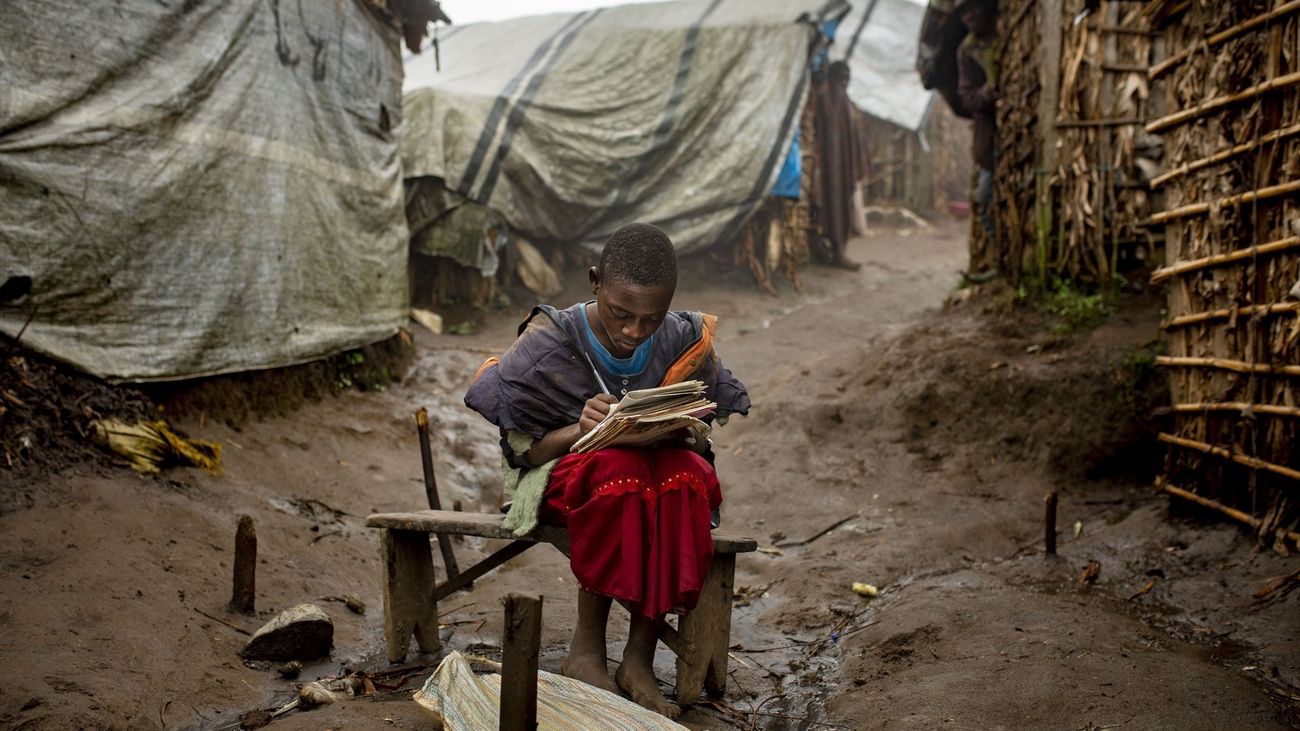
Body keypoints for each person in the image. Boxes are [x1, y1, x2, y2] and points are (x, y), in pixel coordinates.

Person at [464, 222, 750, 718]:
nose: (635, 330)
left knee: (687, 474)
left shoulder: (682, 338)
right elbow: (523, 454)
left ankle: (638, 659)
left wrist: (683, 431)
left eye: (651, 318)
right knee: (621, 468)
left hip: (654, 470)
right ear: (595, 281)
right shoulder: (549, 340)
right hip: (563, 477)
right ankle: (587, 652)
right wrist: (578, 431)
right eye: (622, 314)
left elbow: (703, 419)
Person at [956, 0, 999, 279]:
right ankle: (1002, 259)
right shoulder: (967, 51)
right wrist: (986, 94)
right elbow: (967, 96)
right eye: (963, 12)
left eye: (973, 8)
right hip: (989, 140)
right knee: (984, 198)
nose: (969, 16)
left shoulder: (1004, 34)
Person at [812, 60, 866, 271]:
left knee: (839, 207)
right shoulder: (826, 97)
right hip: (825, 167)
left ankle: (837, 250)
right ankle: (826, 247)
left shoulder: (843, 100)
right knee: (819, 207)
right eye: (843, 77)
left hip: (841, 170)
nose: (845, 82)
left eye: (847, 78)